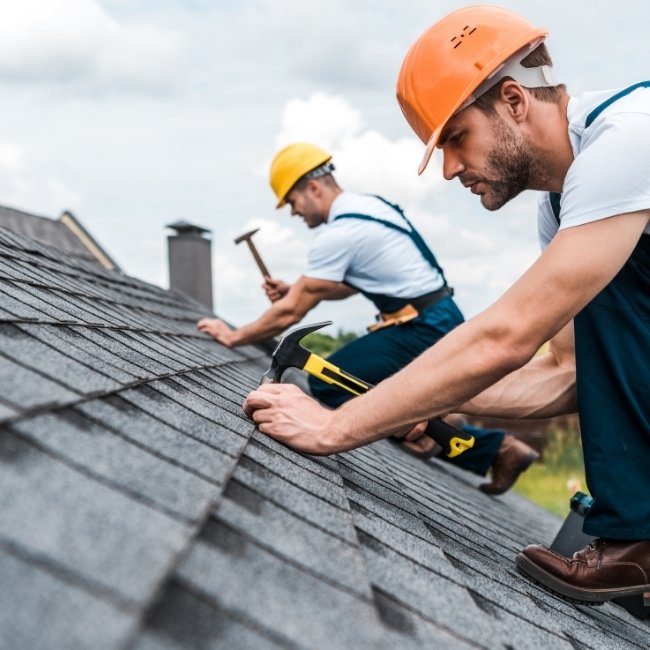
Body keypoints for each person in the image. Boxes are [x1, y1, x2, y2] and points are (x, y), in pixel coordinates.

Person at [242, 6, 650, 607]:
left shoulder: (629, 139)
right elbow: (566, 374)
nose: (451, 168)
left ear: (513, 100)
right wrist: (427, 397)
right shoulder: (564, 207)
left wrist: (335, 425)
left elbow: (506, 337)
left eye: (456, 138)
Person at [198, 142, 539, 494]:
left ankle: (459, 437)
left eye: (292, 202)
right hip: (434, 317)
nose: (293, 213)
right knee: (371, 387)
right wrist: (296, 289)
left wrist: (233, 335)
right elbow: (344, 286)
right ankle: (472, 440)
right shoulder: (369, 208)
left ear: (313, 187)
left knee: (327, 383)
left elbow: (292, 311)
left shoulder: (340, 232)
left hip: (421, 326)